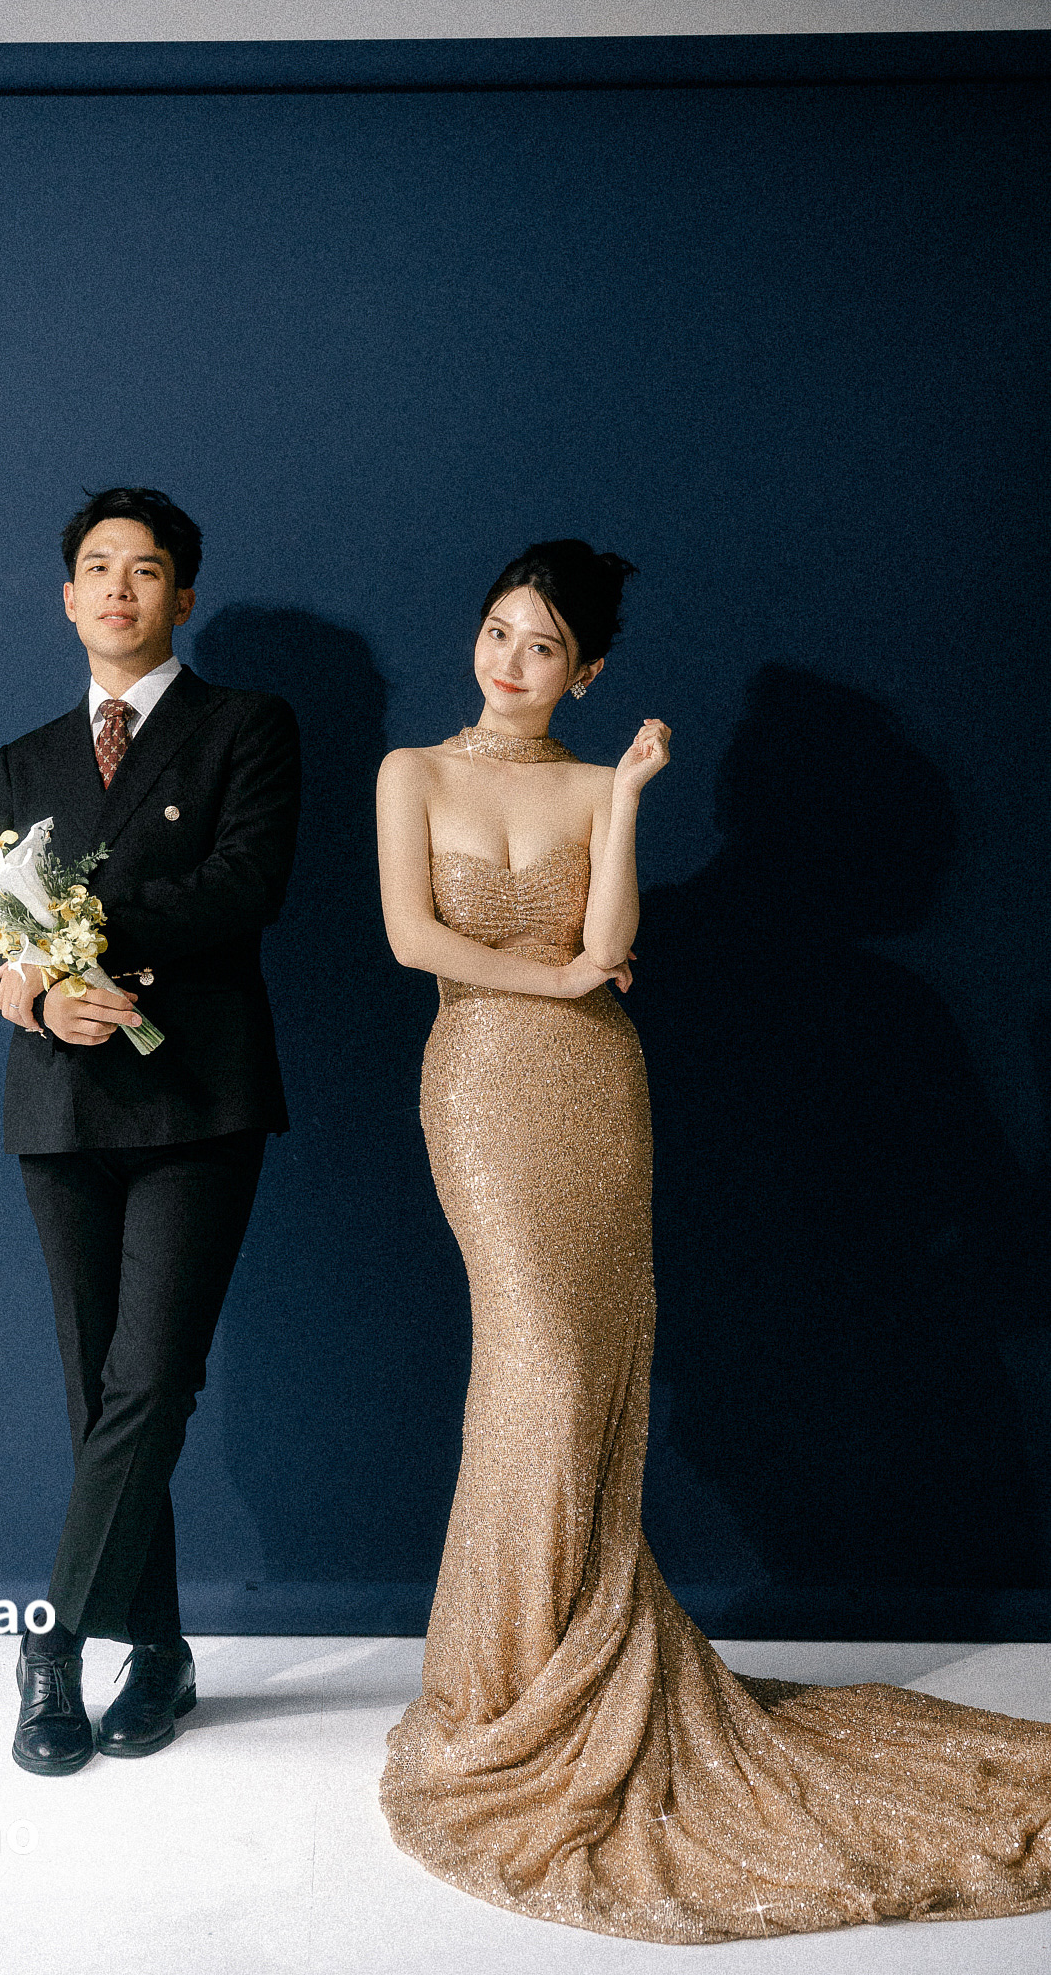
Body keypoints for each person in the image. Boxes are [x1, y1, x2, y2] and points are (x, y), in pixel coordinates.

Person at [374, 538, 1051, 1942]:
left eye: (543, 647)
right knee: (535, 1365)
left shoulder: (591, 782)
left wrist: (625, 803)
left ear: (587, 671)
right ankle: (504, 1683)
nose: (511, 663)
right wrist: (557, 977)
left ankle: (556, 1666)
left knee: (581, 1375)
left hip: (594, 1090)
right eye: (498, 632)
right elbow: (413, 942)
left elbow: (612, 938)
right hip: (483, 1084)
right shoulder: (412, 773)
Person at [0, 486, 299, 1776]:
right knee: (97, 1390)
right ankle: (156, 1650)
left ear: (182, 597)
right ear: (67, 598)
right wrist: (37, 992)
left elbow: (246, 886)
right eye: (97, 568)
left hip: (198, 1093)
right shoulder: (25, 756)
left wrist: (84, 940)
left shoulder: (244, 726)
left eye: (145, 569)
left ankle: (50, 1643)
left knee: (154, 1379)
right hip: (59, 1099)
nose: (118, 588)